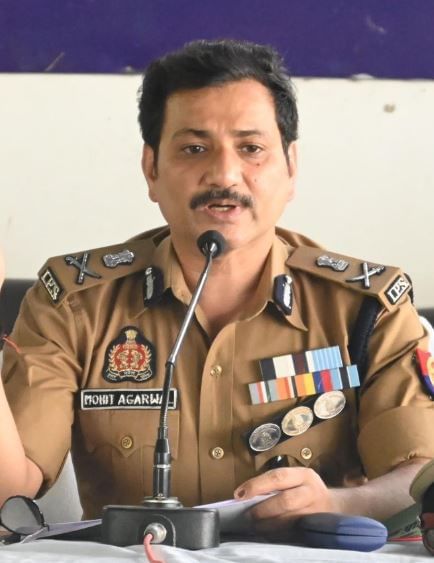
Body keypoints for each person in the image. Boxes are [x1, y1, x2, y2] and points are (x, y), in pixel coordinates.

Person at [1, 39, 433, 534]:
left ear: (291, 168)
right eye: (194, 148)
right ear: (151, 169)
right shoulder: (75, 302)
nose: (225, 174)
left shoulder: (367, 307)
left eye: (251, 149)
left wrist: (340, 503)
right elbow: (8, 493)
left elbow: (420, 479)